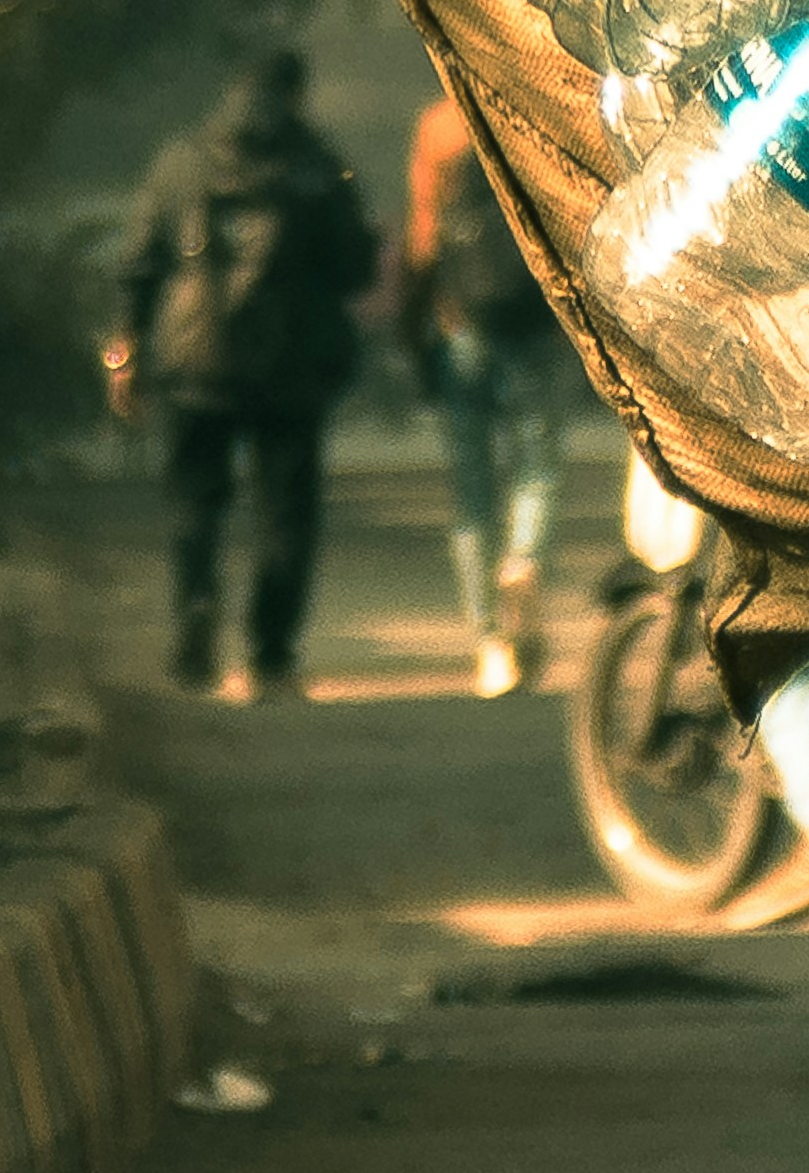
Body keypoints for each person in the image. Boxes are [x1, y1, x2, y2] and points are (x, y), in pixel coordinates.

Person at [104, 51, 371, 700]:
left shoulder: (181, 160)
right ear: (295, 93)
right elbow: (355, 267)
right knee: (286, 515)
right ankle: (271, 655)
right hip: (292, 366)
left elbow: (138, 262)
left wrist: (123, 350)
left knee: (196, 498)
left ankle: (196, 607)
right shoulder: (318, 166)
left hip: (198, 360)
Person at [385, 83, 577, 698]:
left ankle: (491, 644)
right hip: (533, 320)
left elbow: (423, 236)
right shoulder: (536, 109)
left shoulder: (440, 126)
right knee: (538, 466)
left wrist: (413, 324)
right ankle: (523, 561)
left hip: (460, 320)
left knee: (471, 487)